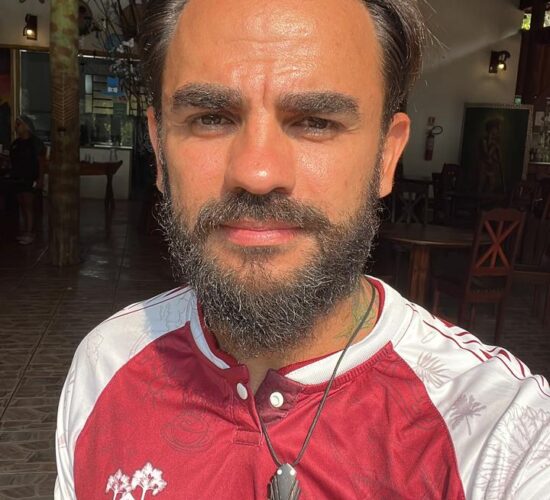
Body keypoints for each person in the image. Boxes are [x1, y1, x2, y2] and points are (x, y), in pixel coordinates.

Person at [55, 0, 550, 498]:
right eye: (210, 118)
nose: (257, 173)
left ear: (386, 157)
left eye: (315, 121)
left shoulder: (501, 436)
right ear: (160, 150)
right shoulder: (106, 365)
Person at [9, 115, 43, 244]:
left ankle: (30, 232)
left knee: (29, 204)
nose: (16, 127)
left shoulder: (35, 143)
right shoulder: (16, 143)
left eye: (18, 124)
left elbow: (41, 162)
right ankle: (27, 230)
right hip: (17, 178)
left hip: (30, 177)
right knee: (22, 204)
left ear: (26, 126)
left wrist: (40, 178)